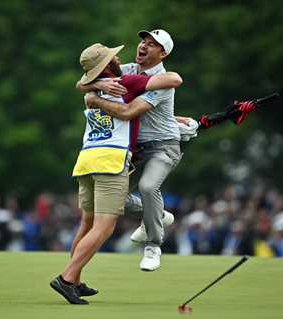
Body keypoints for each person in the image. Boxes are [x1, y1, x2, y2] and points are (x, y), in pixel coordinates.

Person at [82, 29, 257, 271]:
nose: (143, 46)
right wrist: (98, 83)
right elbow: (82, 81)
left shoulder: (164, 82)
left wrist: (93, 96)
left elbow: (131, 111)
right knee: (115, 198)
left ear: (162, 53)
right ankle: (158, 214)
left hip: (164, 147)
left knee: (147, 187)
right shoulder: (130, 69)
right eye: (143, 41)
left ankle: (154, 246)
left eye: (152, 44)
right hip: (136, 150)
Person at [50, 43, 183, 304]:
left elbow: (82, 86)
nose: (118, 58)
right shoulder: (127, 81)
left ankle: (75, 280)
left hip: (86, 160)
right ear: (108, 65)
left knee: (86, 224)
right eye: (113, 57)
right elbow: (174, 79)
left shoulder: (90, 87)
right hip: (111, 161)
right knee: (103, 227)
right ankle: (66, 279)